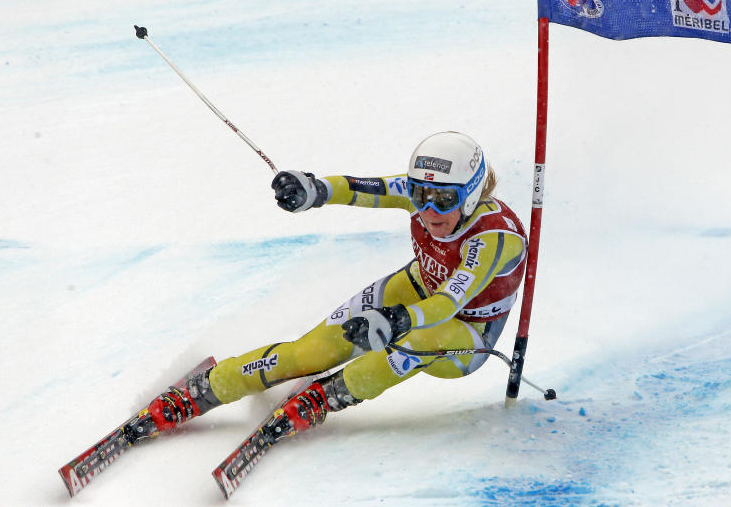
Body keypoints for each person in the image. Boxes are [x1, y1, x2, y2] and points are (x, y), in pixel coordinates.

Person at [146, 131, 527, 436]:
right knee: (310, 353)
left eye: (444, 200)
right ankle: (207, 388)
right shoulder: (427, 193)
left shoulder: (493, 237)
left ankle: (325, 398)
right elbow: (362, 188)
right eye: (419, 195)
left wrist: (397, 321)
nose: (428, 210)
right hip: (416, 290)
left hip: (467, 333)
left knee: (406, 348)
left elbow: (448, 302)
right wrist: (314, 190)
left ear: (472, 193)